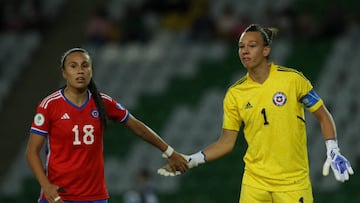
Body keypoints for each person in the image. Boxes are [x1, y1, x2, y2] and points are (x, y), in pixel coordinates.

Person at [158, 24, 354, 203]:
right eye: (241, 46)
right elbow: (226, 142)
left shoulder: (292, 80)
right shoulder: (236, 94)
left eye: (251, 46)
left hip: (293, 182)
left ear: (266, 50)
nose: (245, 51)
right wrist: (192, 160)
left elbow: (322, 115)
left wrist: (333, 149)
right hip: (255, 183)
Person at [25, 48, 188, 203]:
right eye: (73, 66)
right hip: (60, 196)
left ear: (91, 71)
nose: (80, 71)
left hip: (95, 195)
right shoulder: (49, 105)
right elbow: (32, 152)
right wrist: (46, 186)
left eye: (85, 65)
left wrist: (169, 152)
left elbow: (138, 128)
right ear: (64, 73)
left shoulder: (103, 102)